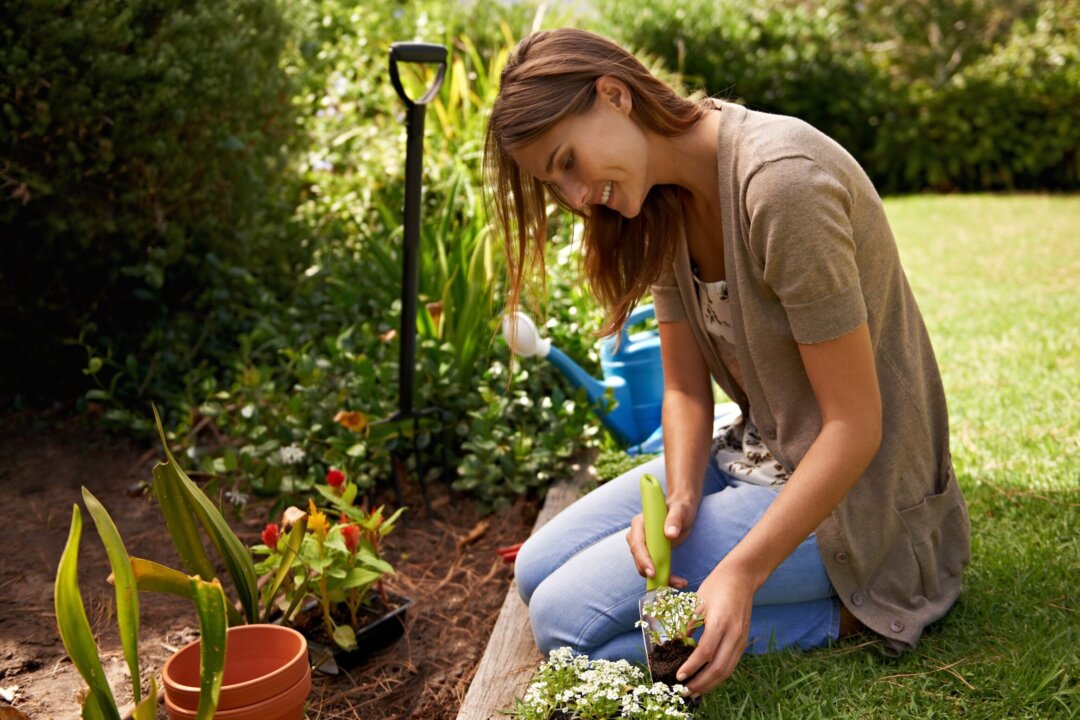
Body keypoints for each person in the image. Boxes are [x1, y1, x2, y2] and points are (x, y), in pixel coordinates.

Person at [483, 28, 970, 697]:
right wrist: (679, 500)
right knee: (536, 571)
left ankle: (862, 605)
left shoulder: (781, 186)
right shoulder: (661, 201)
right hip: (755, 455)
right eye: (552, 181)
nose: (572, 197)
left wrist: (739, 574)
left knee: (567, 624)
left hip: (859, 501)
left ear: (615, 95)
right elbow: (684, 389)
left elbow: (856, 425)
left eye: (568, 161)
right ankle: (752, 588)